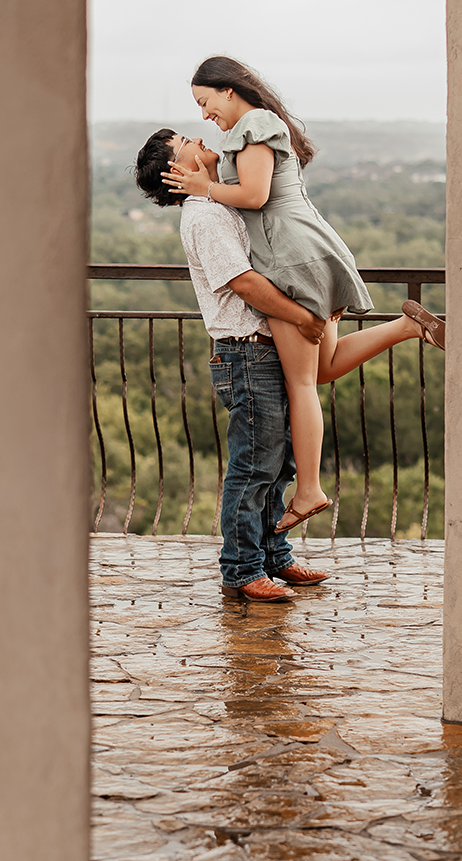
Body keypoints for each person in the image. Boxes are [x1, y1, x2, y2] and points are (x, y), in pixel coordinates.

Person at [136, 128, 441, 599]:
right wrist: (305, 316)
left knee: (278, 465)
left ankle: (274, 557)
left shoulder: (223, 202)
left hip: (265, 345)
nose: (197, 136)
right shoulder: (203, 217)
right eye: (184, 141)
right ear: (176, 172)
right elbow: (245, 283)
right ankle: (241, 569)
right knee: (255, 465)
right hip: (244, 350)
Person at [161, 56, 445, 536]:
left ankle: (309, 489)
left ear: (228, 91)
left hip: (291, 261)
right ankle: (408, 326)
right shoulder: (256, 126)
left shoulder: (253, 124)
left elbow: (253, 196)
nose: (204, 116)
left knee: (300, 385)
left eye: (205, 102)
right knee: (323, 367)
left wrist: (203, 186)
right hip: (308, 253)